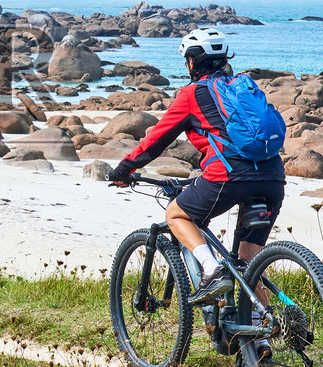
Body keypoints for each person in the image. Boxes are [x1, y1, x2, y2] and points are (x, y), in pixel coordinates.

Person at [107, 28, 286, 308]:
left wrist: (123, 170)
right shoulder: (244, 87)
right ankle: (261, 336)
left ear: (191, 62)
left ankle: (211, 270)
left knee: (176, 214)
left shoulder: (192, 94)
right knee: (250, 264)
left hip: (228, 176)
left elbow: (156, 141)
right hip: (273, 178)